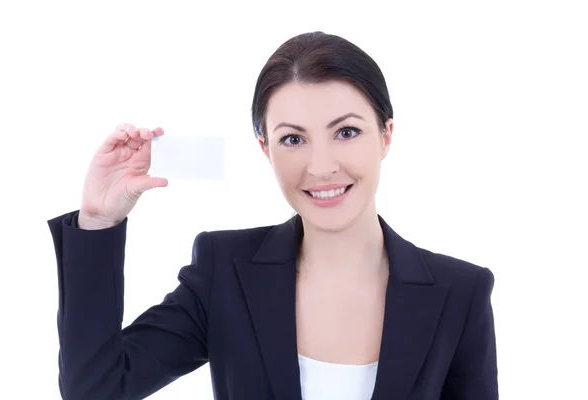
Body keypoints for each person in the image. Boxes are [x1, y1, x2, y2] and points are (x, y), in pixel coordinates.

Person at [47, 31, 498, 400]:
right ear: (265, 149)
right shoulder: (224, 271)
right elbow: (95, 391)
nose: (321, 167)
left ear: (386, 136)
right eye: (293, 139)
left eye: (346, 132)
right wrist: (99, 220)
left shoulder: (460, 293)